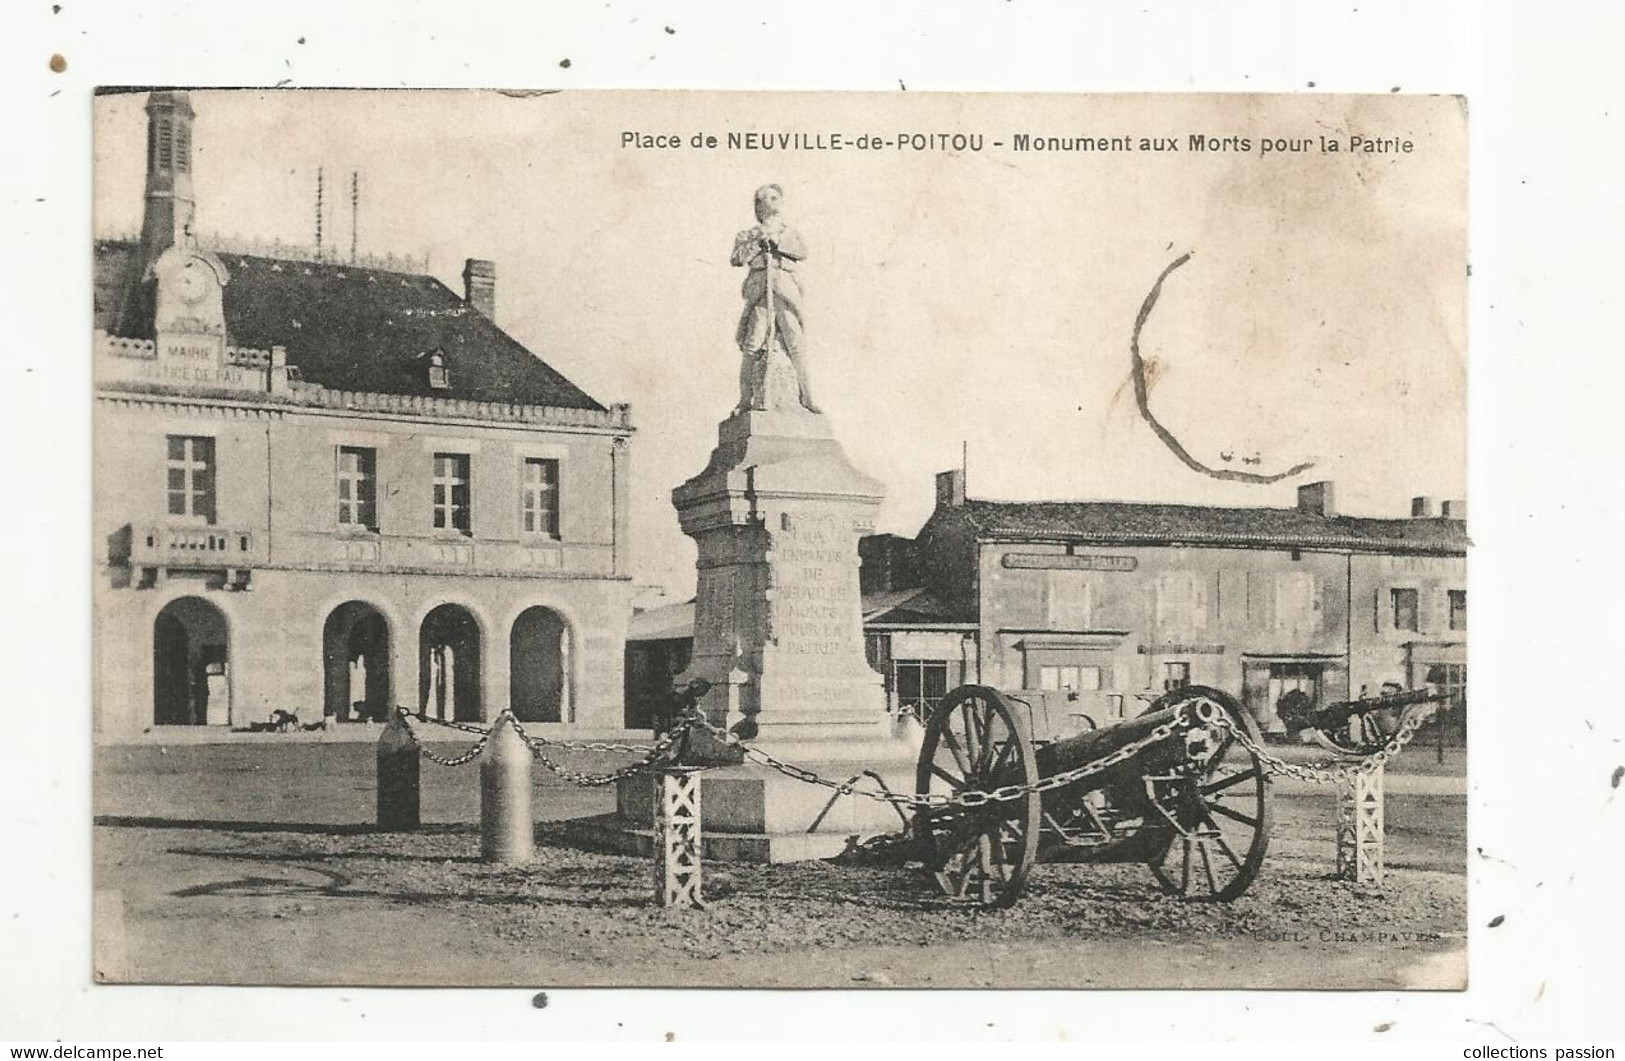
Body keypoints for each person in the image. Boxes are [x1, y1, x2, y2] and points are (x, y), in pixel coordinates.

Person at [731, 184, 820, 413]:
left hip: (785, 288)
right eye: (765, 198)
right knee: (752, 343)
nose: (772, 201)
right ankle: (745, 399)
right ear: (758, 206)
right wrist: (757, 242)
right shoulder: (748, 234)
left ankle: (807, 397)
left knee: (795, 342)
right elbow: (736, 258)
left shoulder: (789, 232)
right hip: (760, 290)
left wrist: (777, 241)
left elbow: (802, 251)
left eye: (775, 197)